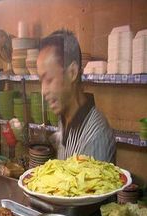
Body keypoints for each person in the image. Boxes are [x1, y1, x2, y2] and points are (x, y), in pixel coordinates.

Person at [37, 29, 116, 162]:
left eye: (49, 79)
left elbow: (87, 183)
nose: (43, 91)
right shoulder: (65, 116)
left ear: (72, 72)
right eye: (41, 81)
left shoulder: (95, 136)